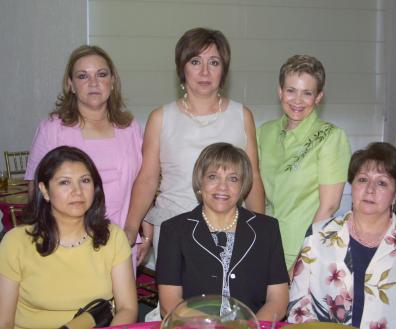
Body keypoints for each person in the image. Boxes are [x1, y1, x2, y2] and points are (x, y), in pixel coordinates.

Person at [124, 27, 265, 262]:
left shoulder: (242, 115)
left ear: (224, 70)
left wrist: (261, 231)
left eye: (214, 62)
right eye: (195, 61)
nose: (205, 72)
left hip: (229, 229)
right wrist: (130, 227)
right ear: (182, 68)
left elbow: (253, 179)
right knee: (176, 299)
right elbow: (148, 178)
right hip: (174, 229)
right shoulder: (161, 118)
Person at [287, 142, 396, 328]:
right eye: (362, 180)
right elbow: (298, 306)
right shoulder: (319, 235)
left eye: (382, 182)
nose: (370, 189)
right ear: (352, 185)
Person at [24, 45, 145, 264]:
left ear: (113, 81)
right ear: (70, 85)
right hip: (66, 243)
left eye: (101, 74)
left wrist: (135, 227)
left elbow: (142, 182)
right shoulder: (53, 129)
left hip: (122, 239)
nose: (93, 82)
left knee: (121, 299)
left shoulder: (130, 128)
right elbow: (36, 189)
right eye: (83, 76)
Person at [0, 146, 138, 328]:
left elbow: (127, 308)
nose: (78, 191)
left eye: (85, 181)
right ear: (45, 190)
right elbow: (4, 320)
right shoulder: (16, 242)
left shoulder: (112, 237)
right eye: (65, 182)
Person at [156, 143, 289, 320]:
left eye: (233, 179)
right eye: (213, 177)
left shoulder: (267, 229)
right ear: (200, 182)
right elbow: (169, 302)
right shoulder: (174, 230)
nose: (222, 187)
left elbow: (278, 299)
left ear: (243, 186)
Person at [257, 55, 351, 268]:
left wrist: (302, 262)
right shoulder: (264, 133)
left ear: (318, 97)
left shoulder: (330, 137)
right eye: (291, 90)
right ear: (280, 91)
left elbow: (328, 207)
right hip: (264, 246)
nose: (297, 100)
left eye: (307, 93)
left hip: (303, 251)